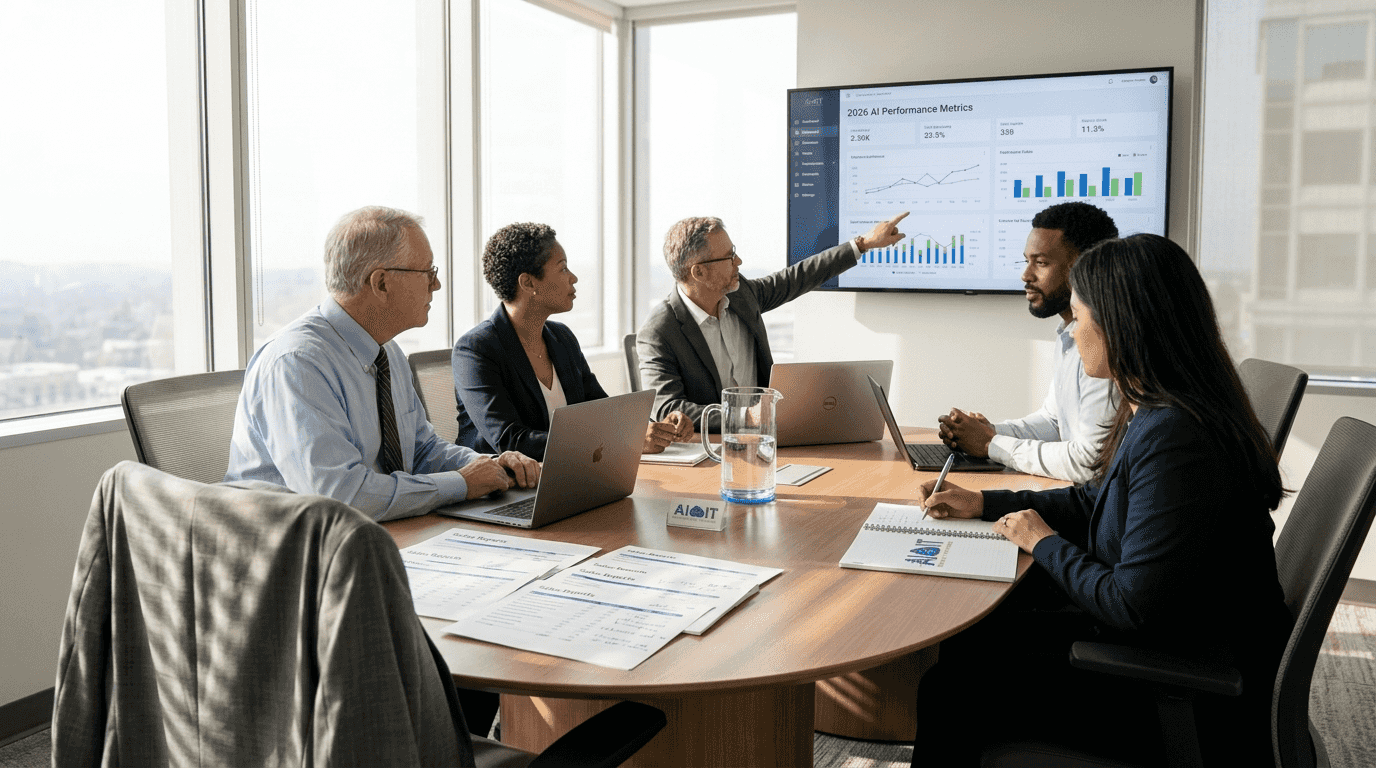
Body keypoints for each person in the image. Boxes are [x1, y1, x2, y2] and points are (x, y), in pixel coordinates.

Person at [909, 233, 1292, 766]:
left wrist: (1040, 541)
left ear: (1123, 324)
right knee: (975, 640)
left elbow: (1131, 604)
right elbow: (1099, 501)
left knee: (952, 686)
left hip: (1182, 691)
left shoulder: (1176, 433)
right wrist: (985, 504)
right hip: (1183, 640)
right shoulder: (1165, 406)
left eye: (1080, 313)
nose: (1074, 327)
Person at [225, 206, 542, 523]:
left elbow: (421, 451)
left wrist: (490, 465)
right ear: (381, 283)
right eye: (428, 273)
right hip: (290, 551)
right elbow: (339, 497)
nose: (437, 285)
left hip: (370, 535)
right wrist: (461, 483)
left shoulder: (386, 351)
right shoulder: (297, 363)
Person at [637, 212, 909, 424]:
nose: (739, 261)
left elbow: (797, 277)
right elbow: (668, 408)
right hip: (711, 452)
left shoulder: (742, 294)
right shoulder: (659, 330)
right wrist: (743, 418)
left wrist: (863, 244)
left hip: (767, 440)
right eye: (729, 256)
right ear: (699, 273)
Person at [453, 222, 693, 458]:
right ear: (528, 283)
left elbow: (602, 410)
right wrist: (625, 439)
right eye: (562, 268)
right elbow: (510, 440)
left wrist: (654, 428)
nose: (574, 278)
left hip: (569, 476)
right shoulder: (476, 350)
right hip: (506, 488)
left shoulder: (562, 338)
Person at [937, 201, 1118, 483]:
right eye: (1027, 261)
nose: (1026, 275)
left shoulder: (1104, 349)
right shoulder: (1070, 334)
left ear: (1085, 266)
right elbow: (1055, 422)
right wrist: (989, 432)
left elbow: (1090, 462)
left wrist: (990, 444)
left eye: (1041, 262)